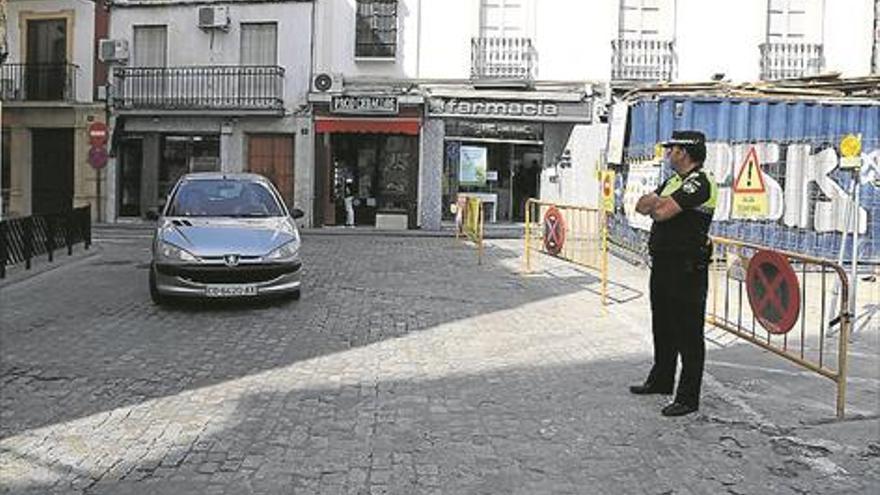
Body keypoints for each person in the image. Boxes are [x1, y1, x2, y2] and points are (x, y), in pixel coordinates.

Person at [630, 130, 718, 417]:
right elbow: (641, 205)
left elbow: (661, 212)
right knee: (663, 326)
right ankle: (661, 379)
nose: (668, 154)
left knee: (688, 333)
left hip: (687, 268)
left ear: (685, 152)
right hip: (664, 264)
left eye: (672, 149)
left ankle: (688, 397)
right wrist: (655, 204)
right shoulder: (673, 181)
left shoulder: (700, 183)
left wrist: (656, 205)